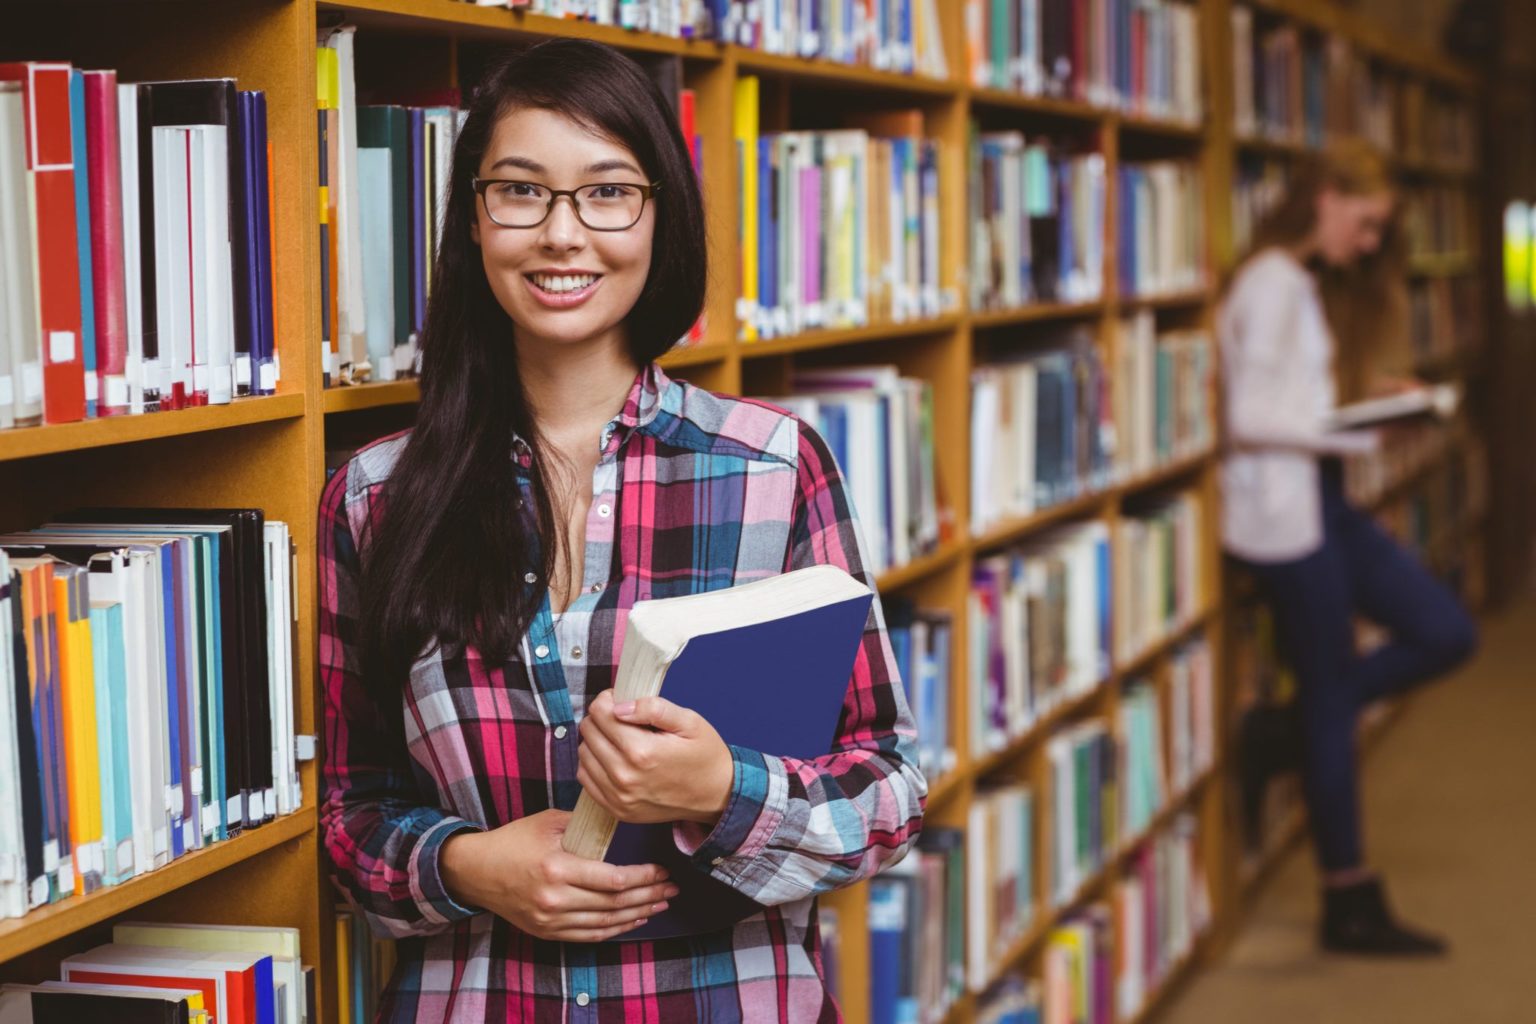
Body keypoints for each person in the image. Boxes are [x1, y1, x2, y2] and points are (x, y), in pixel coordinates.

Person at [318, 39, 926, 1021]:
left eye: (607, 192)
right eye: (521, 191)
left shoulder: (772, 465)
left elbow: (889, 796)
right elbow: (346, 810)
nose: (563, 234)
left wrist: (724, 787)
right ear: (475, 219)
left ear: (659, 218)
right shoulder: (374, 497)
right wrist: (467, 865)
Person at [1220, 138, 1477, 956]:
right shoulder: (1270, 284)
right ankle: (1349, 897)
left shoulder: (1296, 284)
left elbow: (1285, 396)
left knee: (1445, 631)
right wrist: (1353, 430)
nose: (1366, 244)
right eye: (1364, 224)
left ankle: (1278, 734)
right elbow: (1248, 417)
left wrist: (1369, 402)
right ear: (1324, 196)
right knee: (1335, 692)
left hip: (1319, 500)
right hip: (1283, 516)